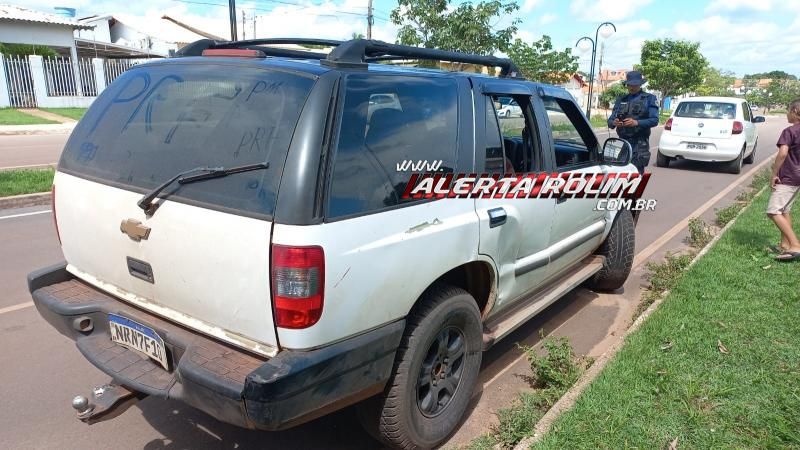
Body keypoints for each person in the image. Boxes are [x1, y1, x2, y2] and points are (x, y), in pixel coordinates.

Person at [607, 71, 660, 174]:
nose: (632, 87)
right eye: (630, 84)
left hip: (639, 144)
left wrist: (636, 123)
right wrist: (615, 122)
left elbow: (654, 120)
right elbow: (610, 121)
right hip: (622, 143)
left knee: (636, 175)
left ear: (640, 84)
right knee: (619, 174)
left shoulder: (649, 99)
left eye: (635, 84)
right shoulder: (621, 99)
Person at [769, 98, 800, 261]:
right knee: (785, 209)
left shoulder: (790, 131)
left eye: (788, 110)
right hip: (798, 177)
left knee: (773, 211)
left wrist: (774, 173)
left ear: (795, 112)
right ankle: (784, 245)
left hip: (788, 176)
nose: (787, 114)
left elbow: (782, 153)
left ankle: (795, 245)